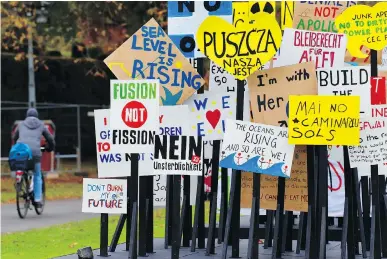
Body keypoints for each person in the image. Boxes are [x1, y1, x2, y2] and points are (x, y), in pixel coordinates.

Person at [13, 108, 55, 208]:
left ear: (27, 116)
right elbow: (50, 138)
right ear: (37, 116)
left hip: (21, 149)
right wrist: (50, 148)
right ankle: (37, 199)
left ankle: (19, 173)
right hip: (35, 152)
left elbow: (15, 136)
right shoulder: (41, 125)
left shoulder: (21, 124)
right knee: (37, 175)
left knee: (21, 160)